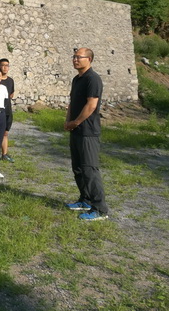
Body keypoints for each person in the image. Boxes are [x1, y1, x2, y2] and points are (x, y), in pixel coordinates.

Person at [64, 48, 109, 221]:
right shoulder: (77, 79)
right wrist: (68, 120)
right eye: (74, 57)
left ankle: (100, 209)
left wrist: (75, 122)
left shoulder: (93, 79)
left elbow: (91, 105)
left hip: (88, 132)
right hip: (76, 130)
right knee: (78, 168)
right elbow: (72, 102)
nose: (75, 59)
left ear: (89, 59)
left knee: (90, 169)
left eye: (79, 57)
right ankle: (85, 200)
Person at [0, 58, 15, 163]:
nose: (5, 67)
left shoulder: (10, 81)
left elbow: (11, 94)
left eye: (7, 65)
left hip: (8, 110)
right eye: (3, 65)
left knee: (5, 133)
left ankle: (4, 154)